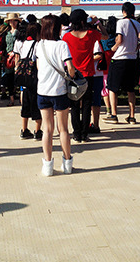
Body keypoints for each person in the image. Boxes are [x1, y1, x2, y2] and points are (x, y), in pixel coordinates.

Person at [36, 14, 76, 176]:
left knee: (47, 130)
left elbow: (39, 66)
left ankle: (47, 166)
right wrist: (70, 75)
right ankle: (67, 164)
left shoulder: (40, 45)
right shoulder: (62, 45)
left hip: (43, 91)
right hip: (59, 91)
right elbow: (70, 68)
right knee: (64, 129)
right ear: (58, 27)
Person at [62, 9, 102, 142]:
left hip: (73, 74)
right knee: (86, 104)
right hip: (88, 74)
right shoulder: (91, 34)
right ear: (82, 20)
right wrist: (97, 22)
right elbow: (106, 36)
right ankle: (85, 133)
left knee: (74, 104)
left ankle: (76, 133)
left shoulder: (66, 37)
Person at [105, 2, 140, 124]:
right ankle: (132, 116)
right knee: (130, 89)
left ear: (123, 11)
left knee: (112, 87)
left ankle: (113, 115)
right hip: (132, 59)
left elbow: (120, 39)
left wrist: (114, 47)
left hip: (120, 58)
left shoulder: (121, 22)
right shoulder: (138, 24)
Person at [14, 22, 42, 140]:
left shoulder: (23, 43)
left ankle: (24, 129)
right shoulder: (38, 44)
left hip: (24, 76)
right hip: (34, 77)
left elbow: (18, 57)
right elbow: (38, 61)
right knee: (36, 104)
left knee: (25, 104)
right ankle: (37, 130)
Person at [0, 13, 21, 106]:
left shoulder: (20, 32)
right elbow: (3, 45)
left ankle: (20, 97)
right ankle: (11, 98)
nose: (12, 22)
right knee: (9, 78)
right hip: (8, 58)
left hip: (18, 57)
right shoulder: (6, 33)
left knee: (19, 78)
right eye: (11, 21)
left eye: (14, 20)